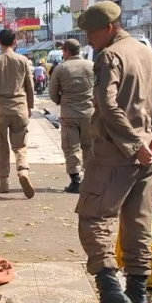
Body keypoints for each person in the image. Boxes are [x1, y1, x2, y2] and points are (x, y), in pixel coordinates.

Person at [76, 1, 152, 303]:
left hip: (114, 155)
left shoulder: (109, 56)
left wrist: (133, 144)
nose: (88, 39)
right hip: (146, 155)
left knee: (94, 218)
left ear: (109, 28)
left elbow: (107, 106)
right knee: (138, 224)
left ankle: (111, 292)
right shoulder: (148, 53)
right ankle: (138, 297)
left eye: (91, 32)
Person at [0, 28, 36, 198]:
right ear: (15, 42)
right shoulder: (23, 60)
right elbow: (30, 86)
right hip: (19, 107)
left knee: (0, 145)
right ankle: (23, 172)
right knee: (20, 145)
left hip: (1, 108)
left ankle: (4, 182)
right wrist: (29, 106)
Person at [49, 38, 95, 194]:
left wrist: (61, 101)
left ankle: (75, 181)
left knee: (70, 148)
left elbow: (53, 93)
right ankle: (89, 180)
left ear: (66, 51)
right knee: (89, 147)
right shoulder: (92, 66)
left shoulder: (61, 68)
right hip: (90, 113)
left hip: (69, 114)